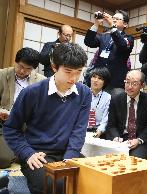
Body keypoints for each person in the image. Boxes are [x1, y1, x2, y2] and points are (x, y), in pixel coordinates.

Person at [3, 43, 91, 194]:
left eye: (79, 72)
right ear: (54, 67)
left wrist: (69, 158)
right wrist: (27, 153)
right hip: (38, 153)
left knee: (90, 181)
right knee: (53, 185)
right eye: (68, 71)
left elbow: (79, 130)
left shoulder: (84, 93)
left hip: (67, 152)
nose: (74, 78)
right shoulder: (32, 92)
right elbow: (11, 128)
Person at [0, 47, 45, 169]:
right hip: (5, 125)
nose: (22, 71)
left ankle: (16, 152)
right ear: (16, 61)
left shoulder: (41, 81)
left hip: (29, 128)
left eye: (28, 69)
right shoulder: (2, 75)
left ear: (33, 69)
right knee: (3, 160)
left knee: (39, 160)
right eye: (20, 66)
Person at [106, 70, 147, 159]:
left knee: (136, 161)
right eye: (127, 82)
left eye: (134, 84)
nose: (129, 87)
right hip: (120, 138)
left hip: (138, 139)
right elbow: (111, 125)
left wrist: (138, 140)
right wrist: (115, 137)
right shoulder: (116, 99)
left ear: (142, 85)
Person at [84, 10, 134, 95]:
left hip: (115, 82)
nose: (114, 20)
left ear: (125, 24)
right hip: (99, 79)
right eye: (113, 18)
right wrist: (96, 23)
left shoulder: (129, 38)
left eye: (117, 19)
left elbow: (122, 44)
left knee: (112, 106)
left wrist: (112, 26)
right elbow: (89, 42)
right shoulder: (104, 36)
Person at [87, 66, 111, 138]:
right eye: (94, 77)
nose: (96, 80)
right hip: (82, 129)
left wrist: (99, 132)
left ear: (104, 82)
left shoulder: (108, 97)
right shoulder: (83, 93)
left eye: (100, 78)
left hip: (98, 131)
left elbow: (105, 119)